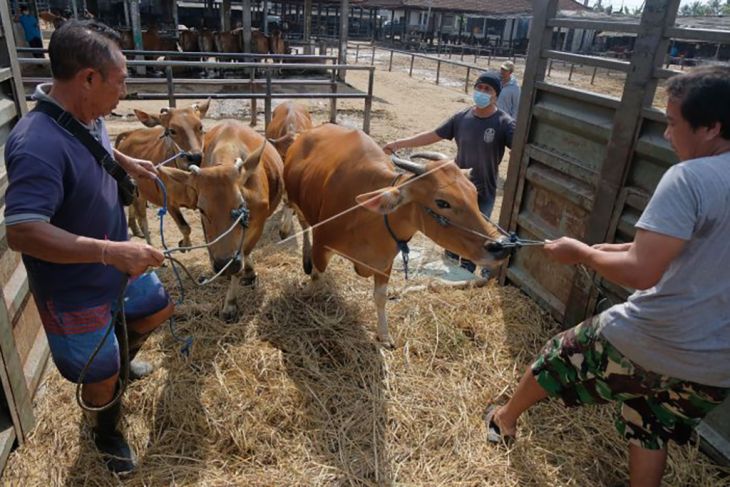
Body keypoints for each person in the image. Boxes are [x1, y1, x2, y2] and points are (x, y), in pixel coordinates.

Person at [483, 66, 730, 487]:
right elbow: (687, 253)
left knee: (557, 355)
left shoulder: (690, 178)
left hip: (657, 336)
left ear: (711, 128)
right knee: (647, 420)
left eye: (672, 123)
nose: (667, 136)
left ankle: (503, 419)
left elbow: (643, 271)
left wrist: (580, 254)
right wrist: (604, 250)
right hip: (717, 365)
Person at [4, 20, 173, 474]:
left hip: (113, 259)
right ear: (89, 79)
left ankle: (119, 362)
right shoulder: (36, 145)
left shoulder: (87, 115)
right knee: (98, 380)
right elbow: (21, 231)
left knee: (157, 306)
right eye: (119, 82)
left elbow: (93, 143)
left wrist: (124, 159)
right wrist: (110, 252)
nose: (124, 93)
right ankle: (105, 431)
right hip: (75, 283)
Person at [383, 71, 516, 277]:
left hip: (483, 190)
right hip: (454, 191)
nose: (481, 92)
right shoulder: (462, 117)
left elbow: (521, 151)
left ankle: (470, 275)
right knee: (453, 236)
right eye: (478, 87)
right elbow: (432, 135)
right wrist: (398, 143)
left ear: (495, 95)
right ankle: (455, 274)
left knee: (479, 236)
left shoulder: (504, 123)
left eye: (487, 89)